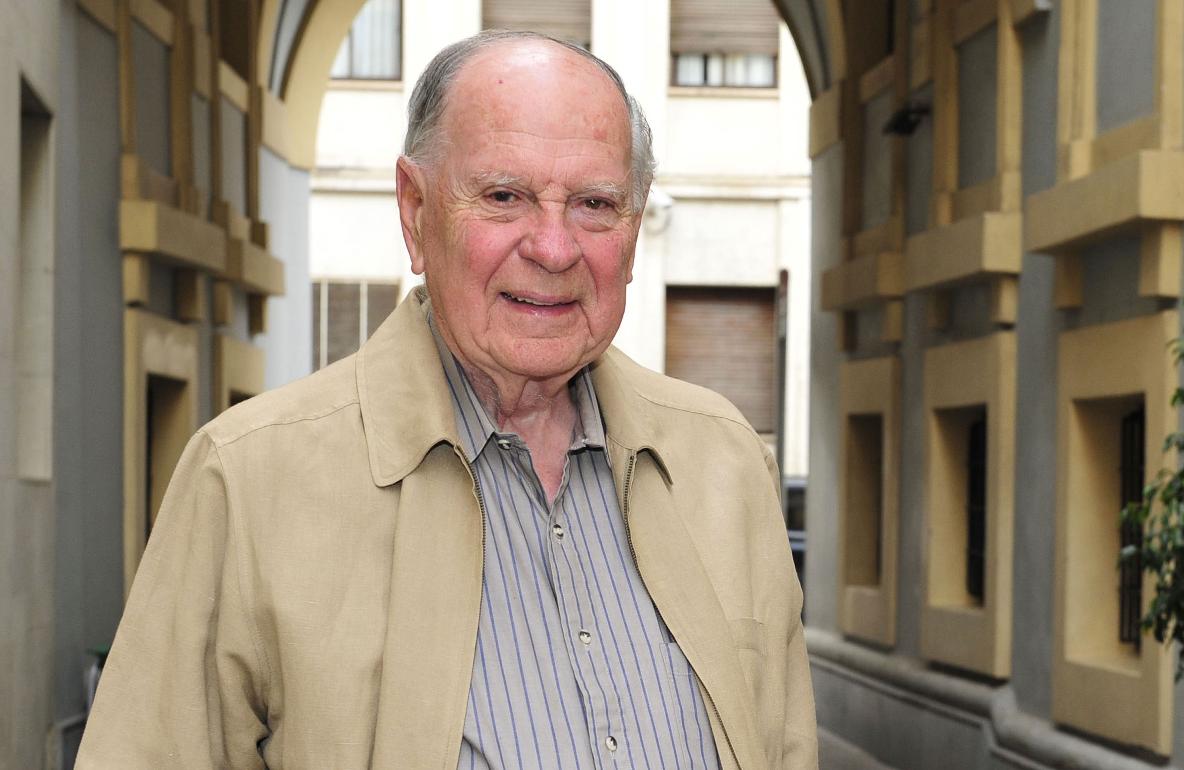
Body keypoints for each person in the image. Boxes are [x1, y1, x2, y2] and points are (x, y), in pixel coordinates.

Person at [78, 31, 816, 769]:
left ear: (634, 227)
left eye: (595, 204)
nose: (554, 248)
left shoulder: (725, 466)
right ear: (415, 211)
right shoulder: (246, 481)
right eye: (504, 197)